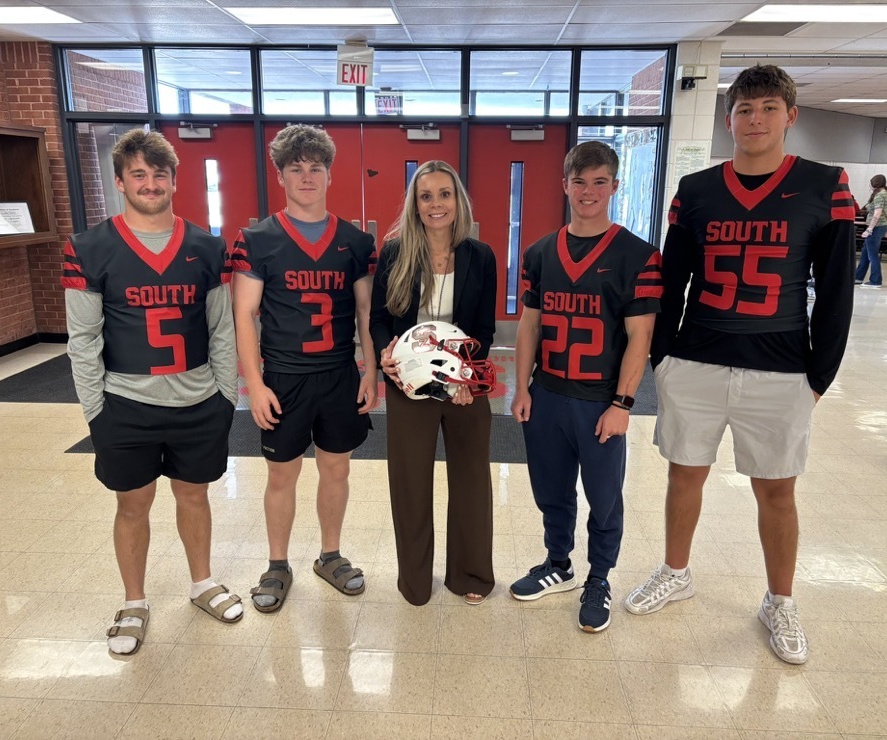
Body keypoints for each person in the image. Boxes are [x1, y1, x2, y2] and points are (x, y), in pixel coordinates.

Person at [624, 65, 856, 665]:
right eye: (745, 110)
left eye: (768, 109)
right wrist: (663, 358)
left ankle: (780, 600)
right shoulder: (696, 190)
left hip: (780, 363)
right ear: (729, 118)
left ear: (790, 116)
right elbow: (672, 279)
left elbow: (834, 293)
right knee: (684, 475)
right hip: (698, 358)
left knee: (777, 490)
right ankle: (677, 571)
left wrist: (819, 376)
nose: (755, 120)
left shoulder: (824, 184)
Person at [62, 128, 242, 656]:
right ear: (120, 181)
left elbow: (221, 331)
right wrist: (96, 410)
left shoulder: (207, 247)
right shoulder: (90, 248)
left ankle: (202, 582)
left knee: (194, 494)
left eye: (159, 174)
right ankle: (135, 600)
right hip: (125, 404)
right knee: (132, 503)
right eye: (138, 174)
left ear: (173, 180)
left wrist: (224, 398)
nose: (150, 183)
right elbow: (83, 339)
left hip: (197, 400)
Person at [509, 141, 662, 633]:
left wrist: (623, 403)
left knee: (604, 495)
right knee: (551, 491)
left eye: (600, 182)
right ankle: (559, 563)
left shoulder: (637, 255)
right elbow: (529, 326)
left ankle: (599, 576)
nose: (589, 191)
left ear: (615, 186)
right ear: (565, 185)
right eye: (580, 181)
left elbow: (641, 336)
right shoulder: (538, 252)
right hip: (549, 392)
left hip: (600, 399)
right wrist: (522, 387)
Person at [231, 124, 378, 613]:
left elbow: (364, 313)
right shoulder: (257, 238)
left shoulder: (355, 240)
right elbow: (244, 315)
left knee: (337, 468)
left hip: (338, 373)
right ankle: (277, 564)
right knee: (281, 474)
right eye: (297, 168)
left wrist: (370, 371)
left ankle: (329, 555)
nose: (307, 176)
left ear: (330, 176)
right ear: (281, 176)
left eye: (316, 167)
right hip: (284, 377)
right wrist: (253, 383)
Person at [371, 160, 497, 606]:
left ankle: (471, 576)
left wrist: (464, 376)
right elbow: (379, 319)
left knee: (471, 482)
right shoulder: (394, 252)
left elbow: (484, 327)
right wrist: (386, 353)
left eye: (444, 194)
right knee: (409, 485)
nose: (436, 204)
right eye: (426, 196)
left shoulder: (480, 256)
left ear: (457, 200)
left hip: (464, 386)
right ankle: (415, 583)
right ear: (415, 204)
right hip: (409, 386)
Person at [855, 175, 887, 287]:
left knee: (872, 255)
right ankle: (858, 277)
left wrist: (869, 229)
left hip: (876, 227)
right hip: (882, 226)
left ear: (874, 184)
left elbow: (877, 213)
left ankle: (876, 281)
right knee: (866, 253)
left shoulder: (879, 196)